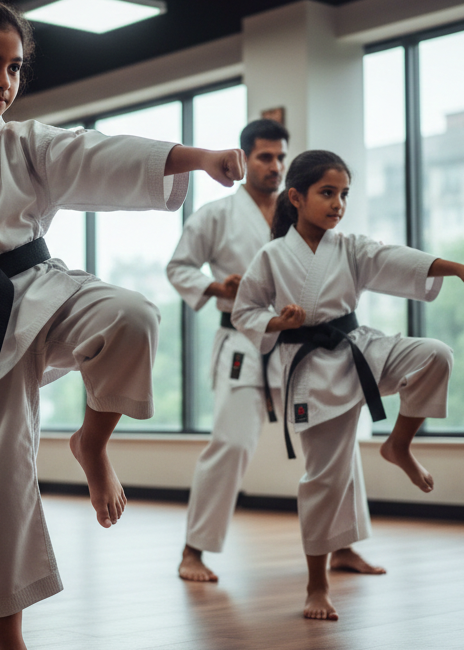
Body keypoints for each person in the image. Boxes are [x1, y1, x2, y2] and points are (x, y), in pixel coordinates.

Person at [0, 1, 245, 647]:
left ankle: (92, 443)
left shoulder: (23, 141)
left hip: (40, 290)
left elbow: (100, 154)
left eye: (14, 68)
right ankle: (11, 636)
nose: (4, 81)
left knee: (131, 314)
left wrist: (197, 156)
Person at [232, 150, 464, 620]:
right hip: (311, 371)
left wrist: (455, 268)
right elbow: (243, 312)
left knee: (435, 355)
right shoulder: (272, 256)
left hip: (359, 349)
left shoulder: (349, 246)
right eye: (327, 193)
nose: (338, 204)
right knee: (326, 478)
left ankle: (400, 445)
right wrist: (276, 321)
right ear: (296, 196)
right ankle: (316, 584)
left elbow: (396, 259)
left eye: (344, 194)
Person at [167, 119, 288, 583]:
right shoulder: (216, 214)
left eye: (280, 157)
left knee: (333, 436)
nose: (274, 165)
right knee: (232, 442)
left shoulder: (296, 214)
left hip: (296, 341)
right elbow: (178, 266)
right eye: (264, 156)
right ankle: (193, 550)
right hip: (240, 337)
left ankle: (342, 545)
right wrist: (218, 285)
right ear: (245, 157)